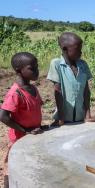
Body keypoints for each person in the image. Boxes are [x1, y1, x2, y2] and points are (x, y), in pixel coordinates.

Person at [0, 52, 43, 187]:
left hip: (32, 135)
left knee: (28, 166)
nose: (36, 71)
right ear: (19, 70)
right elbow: (3, 116)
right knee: (12, 168)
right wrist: (25, 130)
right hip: (19, 138)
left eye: (37, 67)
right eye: (32, 68)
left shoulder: (33, 89)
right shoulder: (16, 93)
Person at [47, 32, 95, 126]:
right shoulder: (56, 64)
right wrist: (61, 118)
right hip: (64, 118)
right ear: (65, 49)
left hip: (81, 117)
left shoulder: (83, 65)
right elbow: (58, 91)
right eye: (78, 49)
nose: (81, 52)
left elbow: (86, 91)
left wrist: (87, 115)